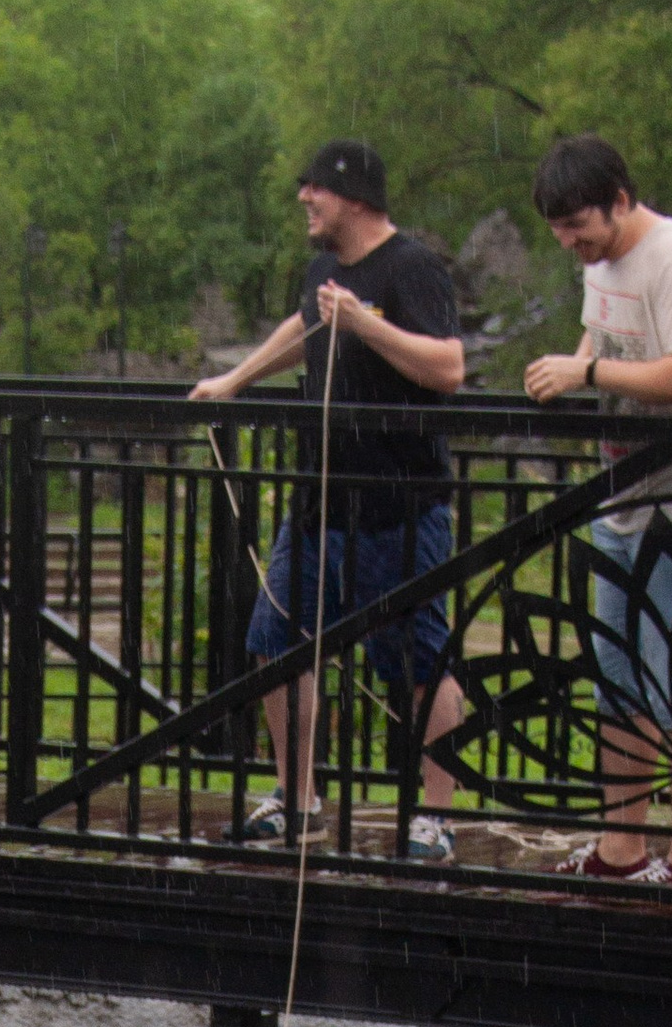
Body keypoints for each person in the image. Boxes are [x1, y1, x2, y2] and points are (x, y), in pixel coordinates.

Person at [191, 138, 471, 864]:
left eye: (313, 188)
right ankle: (297, 801)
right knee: (273, 645)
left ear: (353, 195)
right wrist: (236, 381)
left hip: (399, 508)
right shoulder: (322, 271)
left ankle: (434, 819)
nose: (303, 199)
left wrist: (366, 323)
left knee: (418, 663)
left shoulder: (413, 267)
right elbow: (306, 327)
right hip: (319, 505)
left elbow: (448, 368)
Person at [523, 134, 672, 890]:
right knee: (614, 678)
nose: (570, 243)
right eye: (557, 231)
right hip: (620, 498)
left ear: (620, 198)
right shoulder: (604, 262)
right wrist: (573, 367)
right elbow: (606, 333)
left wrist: (587, 369)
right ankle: (622, 851)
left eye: (579, 225)